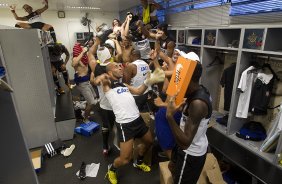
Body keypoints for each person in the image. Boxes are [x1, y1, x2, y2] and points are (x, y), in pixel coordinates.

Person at [97, 59, 164, 184]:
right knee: (125, 159)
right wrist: (101, 76)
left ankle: (138, 162)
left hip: (137, 119)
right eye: (116, 66)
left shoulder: (124, 85)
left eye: (120, 65)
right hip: (125, 124)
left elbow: (139, 91)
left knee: (150, 141)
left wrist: (149, 81)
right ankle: (111, 170)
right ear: (110, 71)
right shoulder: (107, 84)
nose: (121, 67)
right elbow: (94, 81)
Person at [166, 52, 212, 184]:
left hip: (190, 153)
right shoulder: (197, 90)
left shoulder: (198, 103)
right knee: (172, 168)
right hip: (186, 146)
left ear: (188, 78)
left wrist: (169, 116)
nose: (176, 80)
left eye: (179, 77)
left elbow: (185, 143)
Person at [72, 43, 97, 122]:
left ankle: (87, 111)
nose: (83, 49)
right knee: (92, 102)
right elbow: (74, 64)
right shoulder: (75, 58)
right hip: (82, 83)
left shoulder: (83, 58)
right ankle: (85, 118)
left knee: (94, 97)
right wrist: (82, 52)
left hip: (87, 81)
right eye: (81, 48)